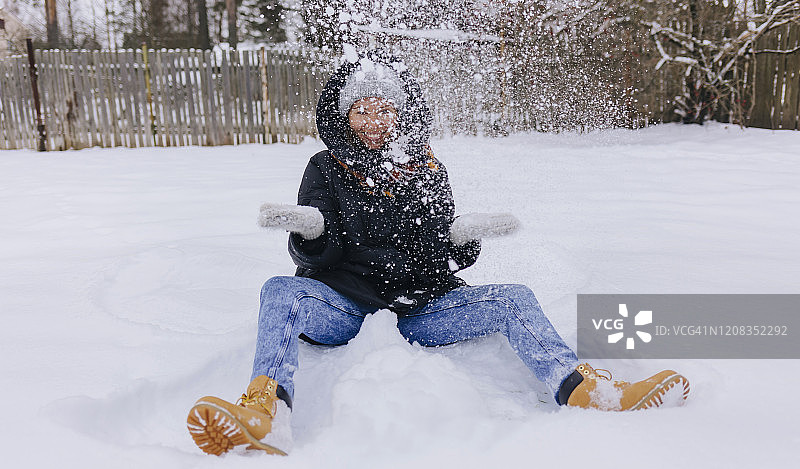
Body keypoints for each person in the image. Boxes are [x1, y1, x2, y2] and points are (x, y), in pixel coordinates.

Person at [186, 51, 690, 457]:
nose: (375, 119)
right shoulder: (325, 166)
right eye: (362, 108)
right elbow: (323, 258)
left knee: (514, 297)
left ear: (403, 114)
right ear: (344, 114)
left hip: (420, 310)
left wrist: (459, 240)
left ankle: (584, 390)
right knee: (280, 291)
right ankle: (266, 410)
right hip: (344, 306)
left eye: (386, 108)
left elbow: (434, 259)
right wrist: (312, 231)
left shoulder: (428, 170)